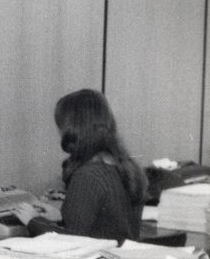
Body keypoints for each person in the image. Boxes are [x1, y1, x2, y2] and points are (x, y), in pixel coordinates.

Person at [13, 88, 147, 243]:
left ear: (73, 130)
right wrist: (59, 216)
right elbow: (107, 224)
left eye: (61, 128)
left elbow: (72, 242)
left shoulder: (87, 176)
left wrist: (33, 221)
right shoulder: (125, 166)